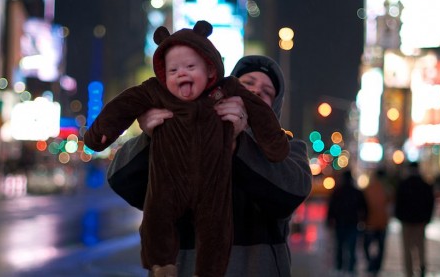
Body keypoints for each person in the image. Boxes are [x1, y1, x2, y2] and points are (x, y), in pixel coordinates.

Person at [83, 21, 290, 277]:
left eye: (267, 91)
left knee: (215, 226)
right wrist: (152, 136)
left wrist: (236, 143)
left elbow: (287, 195)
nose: (255, 92)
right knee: (158, 218)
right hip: (179, 267)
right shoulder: (161, 106)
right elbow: (120, 179)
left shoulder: (293, 149)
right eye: (248, 83)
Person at [394, 161, 435, 277]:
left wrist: (399, 217)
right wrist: (427, 218)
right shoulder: (425, 185)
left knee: (407, 249)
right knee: (420, 246)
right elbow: (430, 203)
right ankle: (422, 266)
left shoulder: (403, 185)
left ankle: (409, 272)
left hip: (406, 222)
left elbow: (398, 204)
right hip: (420, 221)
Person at [326, 168, 368, 276]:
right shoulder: (357, 192)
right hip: (353, 223)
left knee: (340, 246)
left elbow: (332, 208)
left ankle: (340, 267)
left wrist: (329, 220)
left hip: (340, 223)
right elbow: (364, 207)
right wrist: (364, 220)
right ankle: (351, 268)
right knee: (352, 246)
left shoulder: (337, 192)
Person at [362, 168, 392, 276]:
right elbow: (390, 206)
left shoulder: (368, 189)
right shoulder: (387, 190)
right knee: (381, 247)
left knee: (367, 245)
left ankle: (371, 263)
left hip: (370, 223)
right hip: (382, 223)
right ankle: (376, 266)